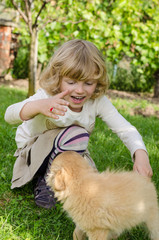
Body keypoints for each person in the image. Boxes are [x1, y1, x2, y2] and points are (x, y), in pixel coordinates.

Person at [5, 39, 153, 209]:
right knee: (76, 134)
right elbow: (9, 115)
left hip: (69, 150)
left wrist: (141, 154)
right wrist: (38, 106)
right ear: (58, 77)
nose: (80, 90)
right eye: (72, 82)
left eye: (88, 83)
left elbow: (125, 128)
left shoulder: (97, 102)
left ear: (97, 82)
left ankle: (64, 179)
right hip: (34, 154)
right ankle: (47, 180)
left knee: (94, 187)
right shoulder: (47, 96)